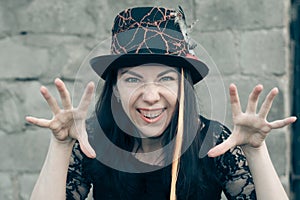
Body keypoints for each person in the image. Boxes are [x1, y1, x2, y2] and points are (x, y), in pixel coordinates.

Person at [26, 6, 297, 200]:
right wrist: (61, 146)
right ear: (116, 89)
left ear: (183, 87)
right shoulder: (94, 141)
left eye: (165, 79)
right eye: (133, 80)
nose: (151, 96)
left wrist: (256, 151)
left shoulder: (213, 142)